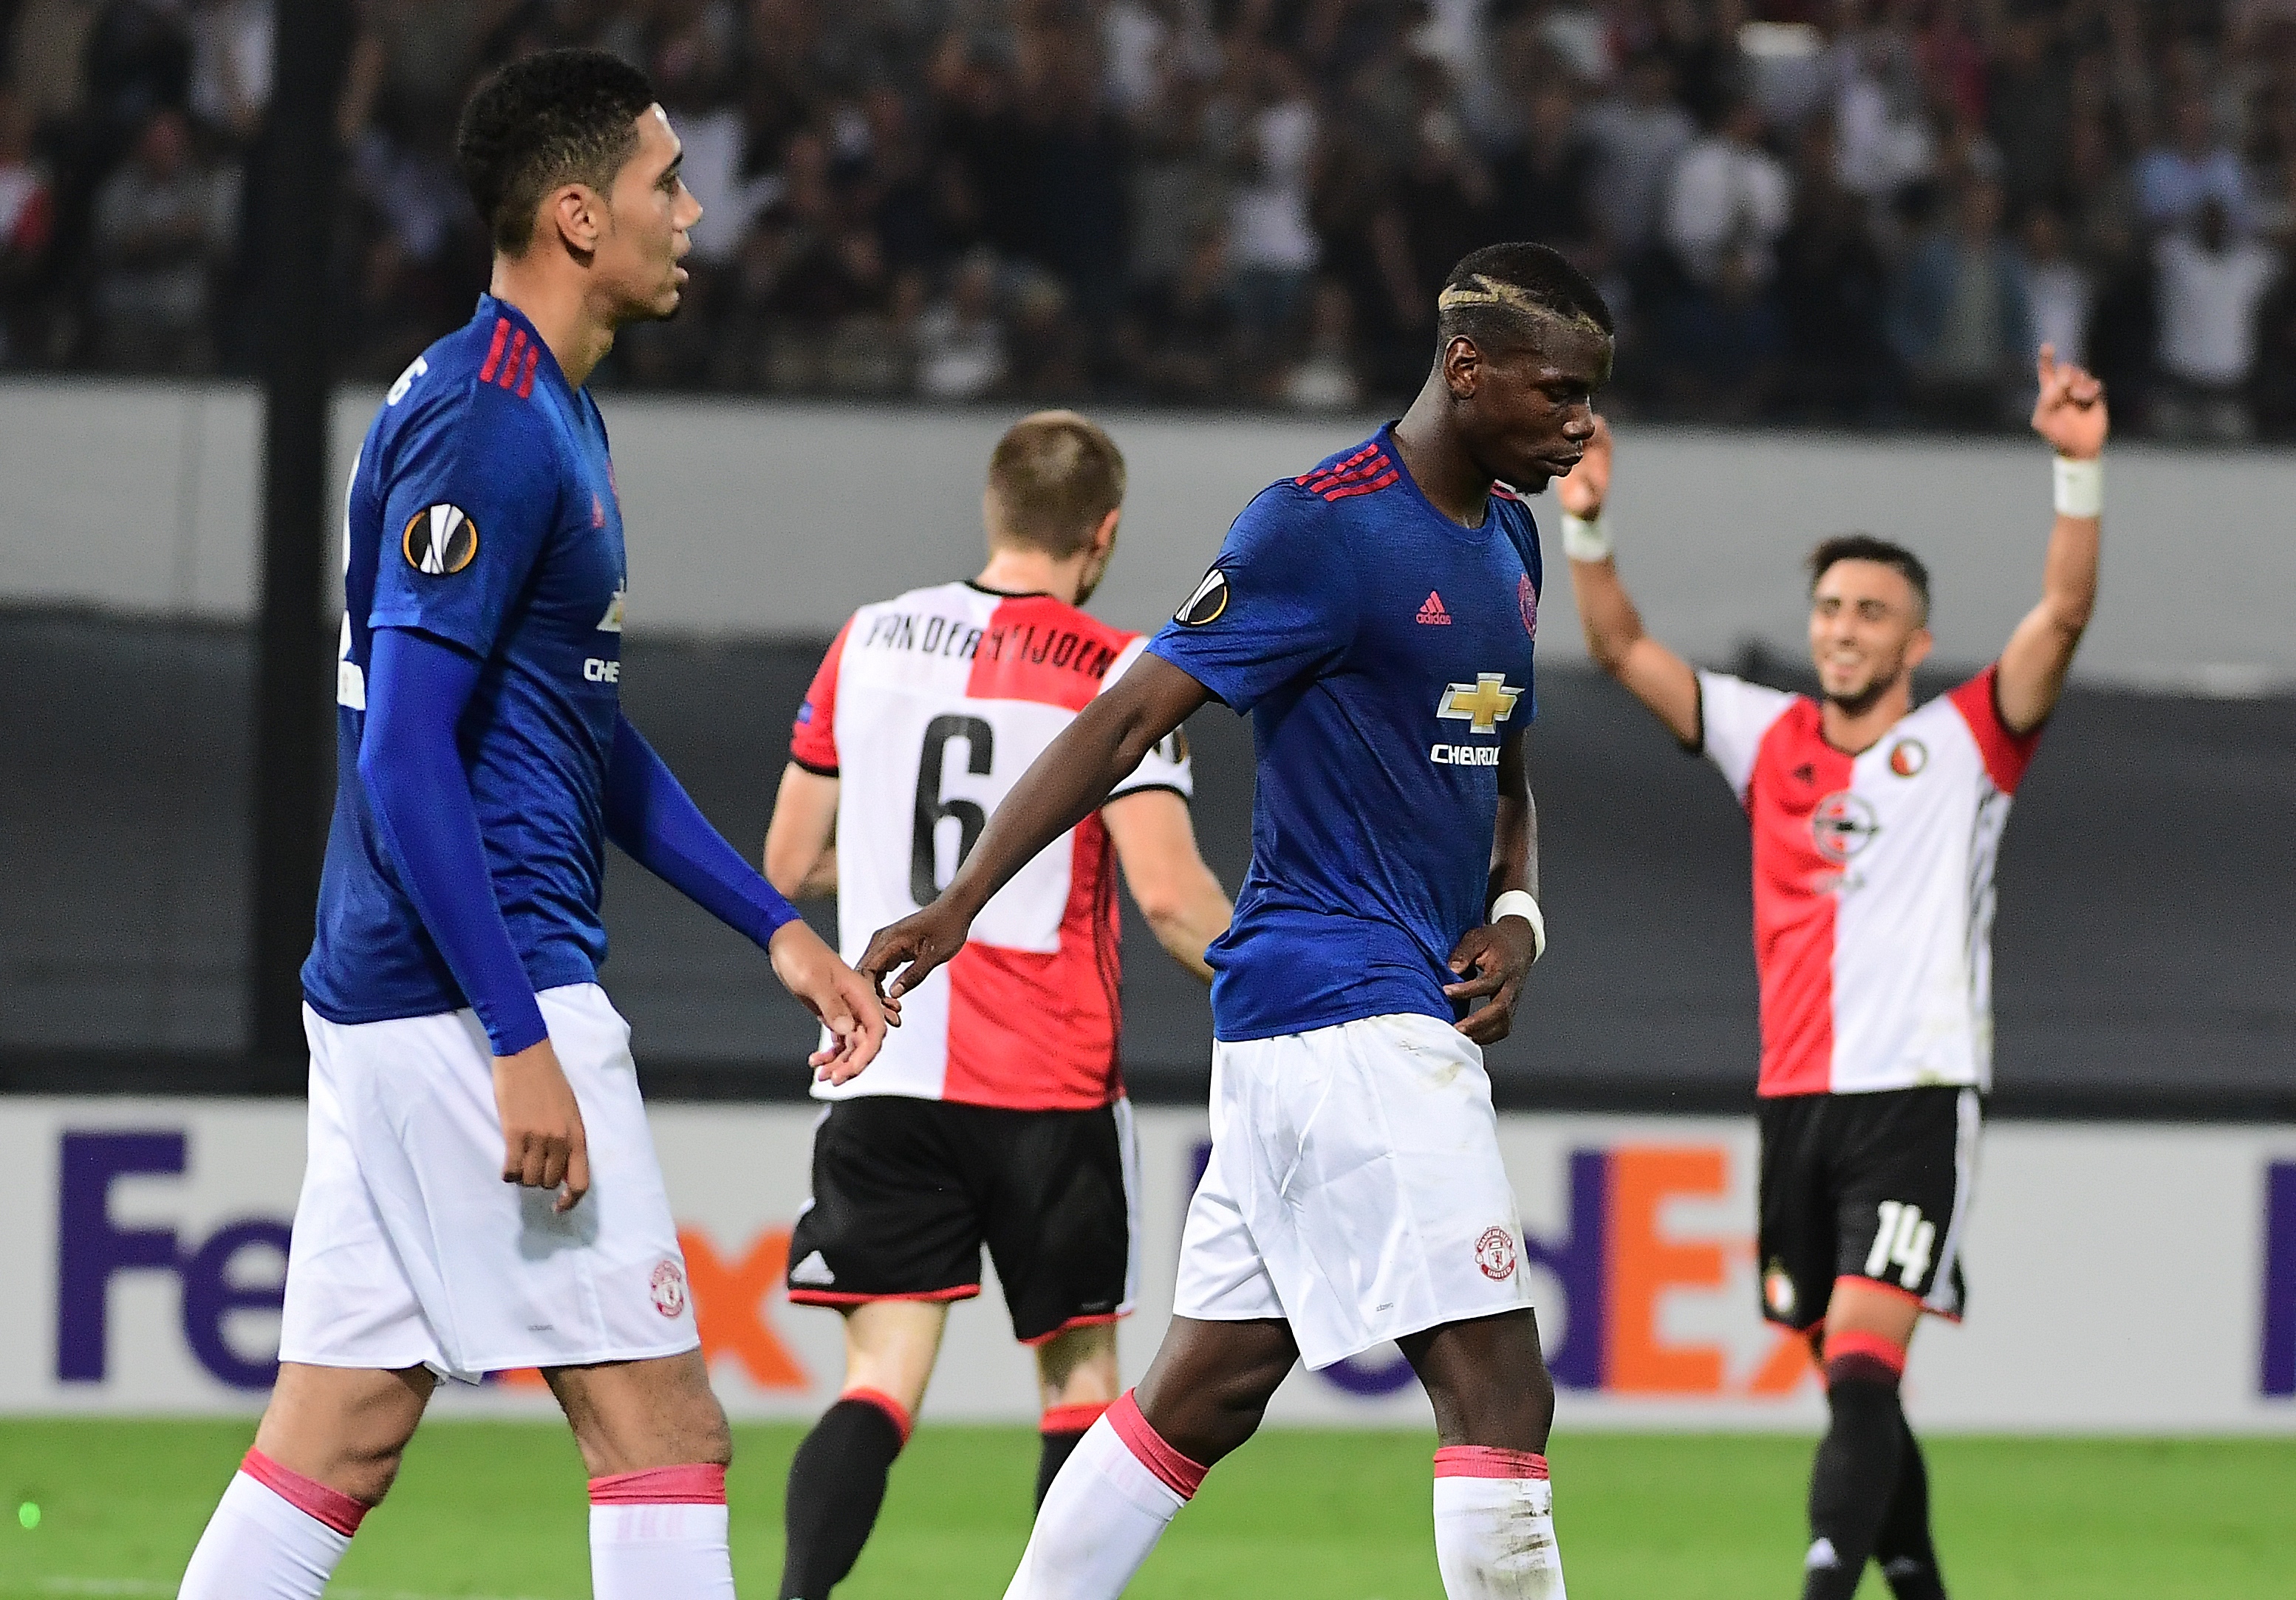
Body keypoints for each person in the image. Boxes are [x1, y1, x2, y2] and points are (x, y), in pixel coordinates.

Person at [175, 49, 888, 1600]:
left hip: (412, 982)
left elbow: (582, 735)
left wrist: (774, 929)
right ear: (578, 216)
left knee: (337, 1440)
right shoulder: (493, 425)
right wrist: (517, 1039)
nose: (695, 213)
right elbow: (410, 760)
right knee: (665, 1433)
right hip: (470, 984)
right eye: (666, 184)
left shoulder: (540, 410)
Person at [862, 241, 1612, 1600]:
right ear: (1467, 366)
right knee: (1500, 1390)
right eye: (1560, 393)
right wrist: (962, 901)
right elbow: (1128, 712)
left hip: (1308, 1031)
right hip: (1350, 1019)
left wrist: (1517, 915)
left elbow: (1503, 768)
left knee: (1195, 1398)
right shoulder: (1317, 527)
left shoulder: (1509, 540)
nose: (1583, 425)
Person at [1556, 345, 2107, 1600]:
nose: (1842, 630)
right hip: (1796, 1096)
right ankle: (1916, 1579)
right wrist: (1585, 523)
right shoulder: (1770, 736)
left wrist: (2078, 474)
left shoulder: (1967, 742)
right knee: (1848, 1371)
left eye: (1869, 613)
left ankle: (1818, 1585)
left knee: (1861, 1363)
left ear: (1915, 638)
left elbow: (2062, 617)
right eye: (1830, 611)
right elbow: (1621, 645)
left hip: (1915, 1092)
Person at [762, 408, 1234, 1600]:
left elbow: (783, 864)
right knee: (1080, 1384)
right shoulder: (1126, 668)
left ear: (995, 506)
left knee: (878, 1378)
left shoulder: (865, 641)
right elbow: (1173, 896)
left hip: (888, 1066)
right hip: (1049, 1086)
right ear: (1106, 530)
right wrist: (1305, 996)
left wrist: (879, 869)